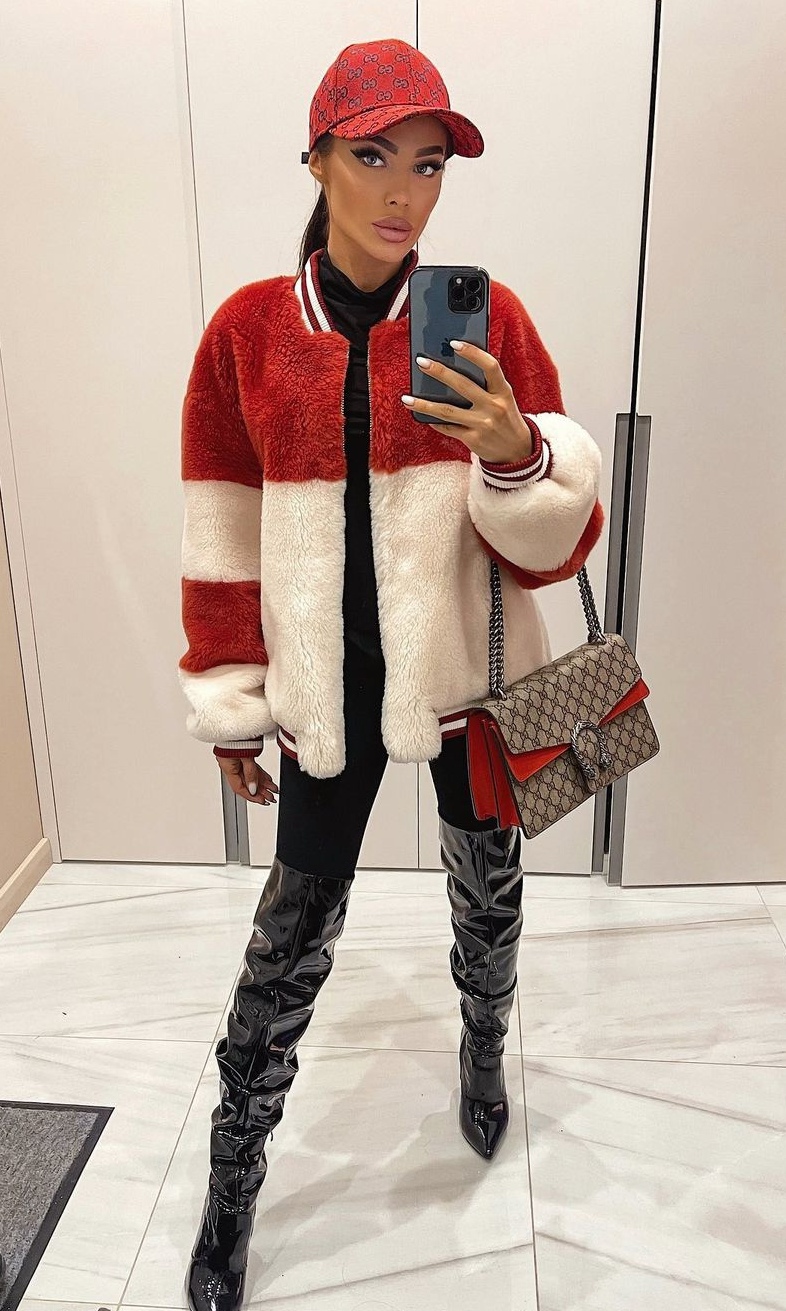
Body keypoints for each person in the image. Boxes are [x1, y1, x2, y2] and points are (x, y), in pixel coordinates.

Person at [178, 36, 604, 1311]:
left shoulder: (487, 318)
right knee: (287, 945)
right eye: (372, 156)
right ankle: (233, 1181)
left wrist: (519, 452)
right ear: (316, 159)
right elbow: (221, 528)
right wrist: (231, 700)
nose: (403, 192)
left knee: (490, 899)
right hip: (327, 699)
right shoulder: (249, 333)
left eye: (428, 165)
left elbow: (554, 549)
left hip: (471, 685)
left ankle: (482, 1052)